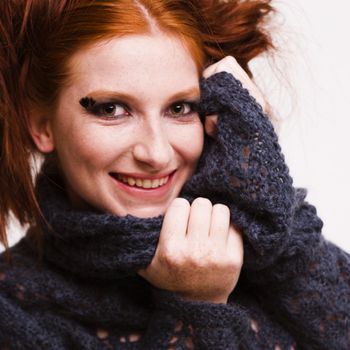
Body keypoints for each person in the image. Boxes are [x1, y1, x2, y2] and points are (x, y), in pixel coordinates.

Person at [0, 0, 349, 349]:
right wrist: (197, 307)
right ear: (40, 123)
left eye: (180, 108)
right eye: (112, 109)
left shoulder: (276, 255)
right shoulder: (13, 311)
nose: (157, 153)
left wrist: (269, 211)